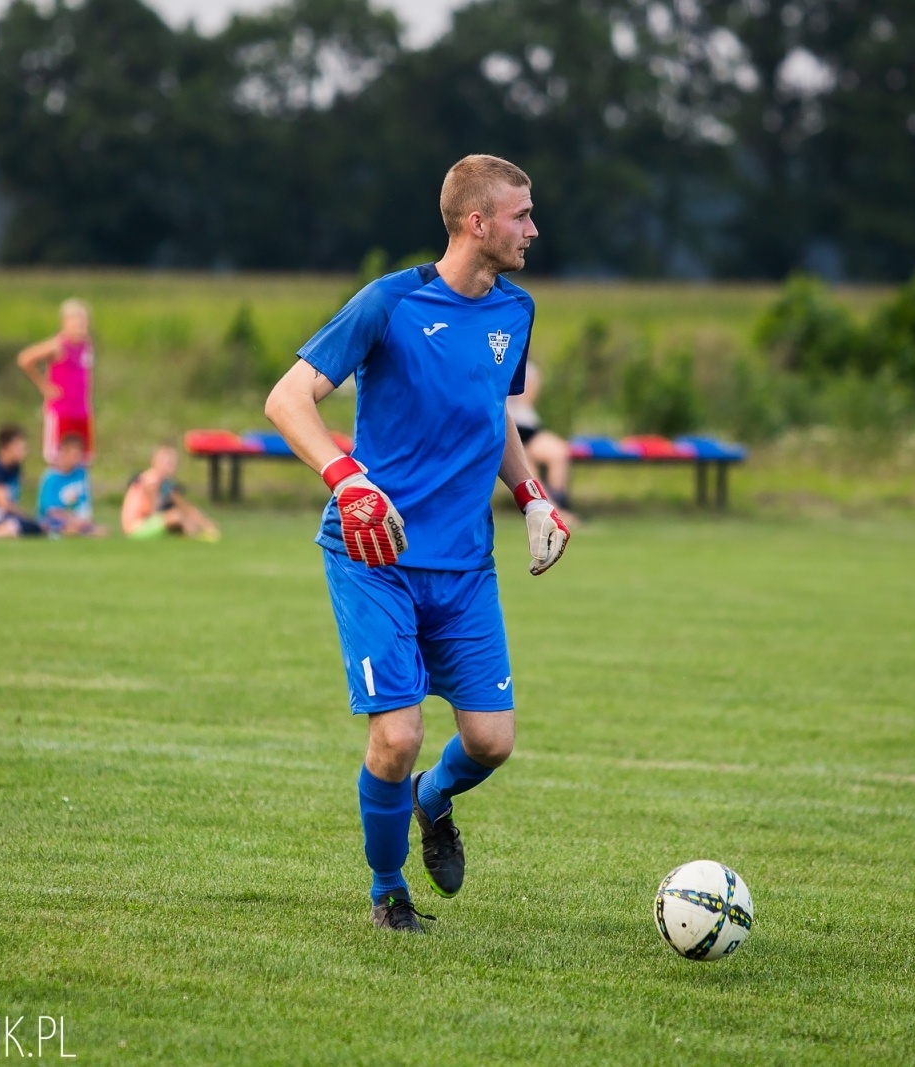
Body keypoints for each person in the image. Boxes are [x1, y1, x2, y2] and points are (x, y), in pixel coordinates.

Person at [264, 154, 571, 934]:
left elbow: (490, 412)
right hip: (375, 555)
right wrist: (346, 478)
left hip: (465, 565)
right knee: (396, 736)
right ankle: (387, 890)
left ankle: (432, 802)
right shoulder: (389, 303)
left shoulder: (516, 310)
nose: (533, 228)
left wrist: (532, 492)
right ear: (478, 224)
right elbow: (287, 397)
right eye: (521, 215)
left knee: (492, 743)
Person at [17, 298, 95, 466]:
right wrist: (43, 385)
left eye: (83, 321)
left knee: (83, 458)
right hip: (61, 411)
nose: (80, 325)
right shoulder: (58, 345)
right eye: (76, 321)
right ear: (65, 322)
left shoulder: (86, 345)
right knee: (59, 458)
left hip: (81, 411)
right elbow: (25, 359)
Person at [505, 360, 576, 514]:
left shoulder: (529, 369)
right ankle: (550, 510)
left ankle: (560, 504)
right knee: (526, 466)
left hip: (527, 427)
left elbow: (526, 401)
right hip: (505, 427)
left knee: (559, 452)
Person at [120, 445, 220, 541]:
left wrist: (205, 523)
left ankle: (197, 534)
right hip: (136, 528)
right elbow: (152, 512)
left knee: (180, 516)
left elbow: (184, 505)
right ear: (156, 462)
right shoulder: (151, 481)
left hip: (147, 524)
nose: (172, 466)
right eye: (168, 463)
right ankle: (195, 537)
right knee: (176, 516)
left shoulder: (164, 483)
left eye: (174, 463)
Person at [37, 433, 106, 537]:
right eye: (74, 455)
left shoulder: (80, 474)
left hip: (77, 519)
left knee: (101, 531)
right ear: (63, 453)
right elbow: (50, 510)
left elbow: (84, 503)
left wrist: (84, 520)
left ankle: (80, 531)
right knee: (60, 526)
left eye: (78, 456)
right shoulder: (51, 478)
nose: (77, 460)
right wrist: (72, 520)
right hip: (55, 520)